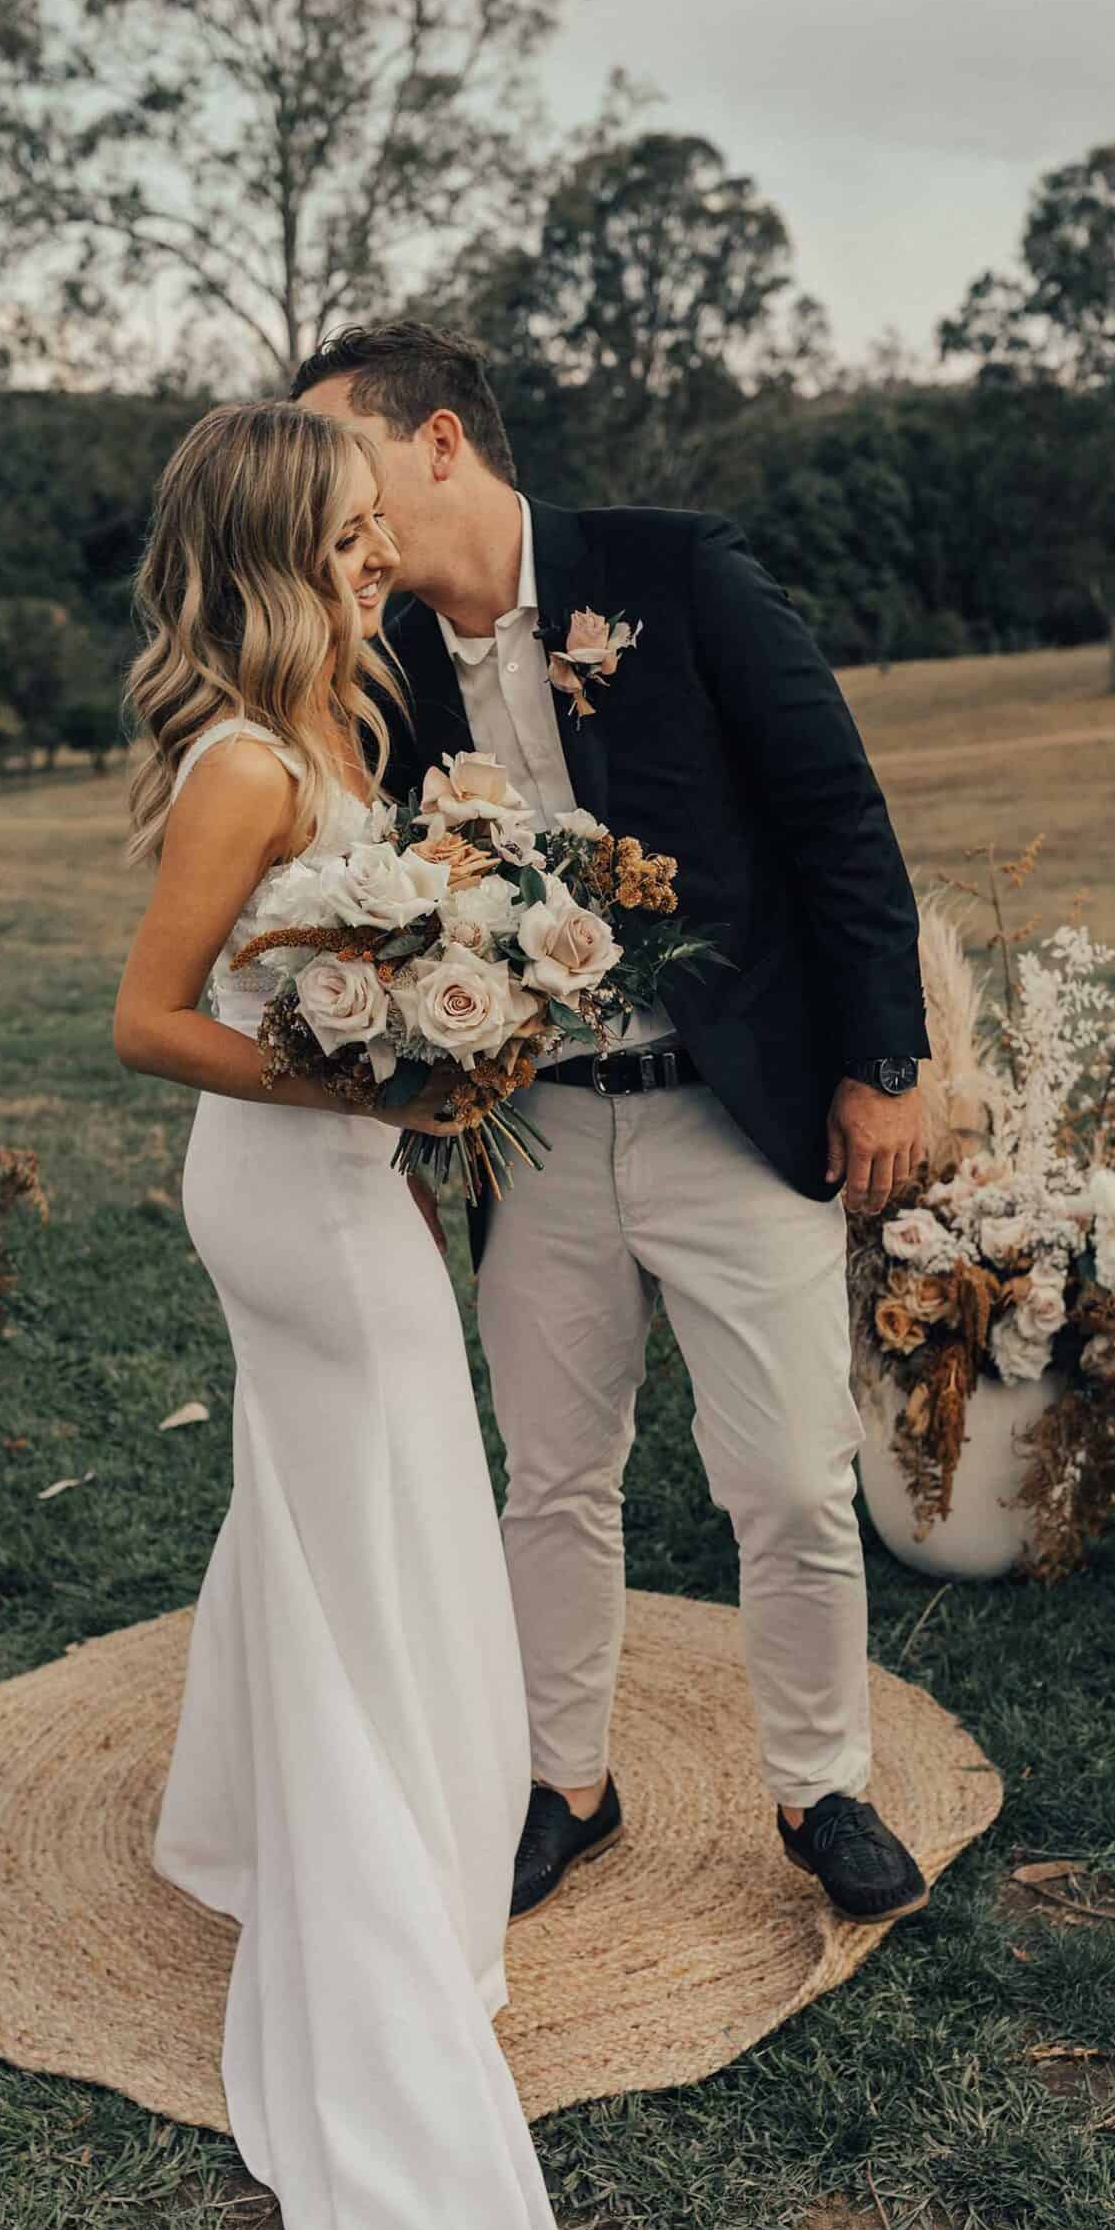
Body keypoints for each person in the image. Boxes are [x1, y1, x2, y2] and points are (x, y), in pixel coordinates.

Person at [293, 323, 934, 1928]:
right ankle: (562, 1782)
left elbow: (836, 817)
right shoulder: (375, 666)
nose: (327, 508)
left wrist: (884, 1064)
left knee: (788, 1477)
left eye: (342, 463)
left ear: (440, 441)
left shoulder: (676, 574)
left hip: (735, 1106)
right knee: (553, 1476)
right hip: (539, 1129)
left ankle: (821, 1787)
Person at [112, 400, 627, 2230]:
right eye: (334, 535)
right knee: (398, 1493)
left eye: (364, 529)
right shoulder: (244, 761)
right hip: (292, 1197)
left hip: (350, 1175)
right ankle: (391, 1879)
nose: (365, 560)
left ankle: (292, 1818)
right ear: (261, 548)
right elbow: (147, 1018)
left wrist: (464, 986)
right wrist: (361, 1081)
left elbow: (384, 941)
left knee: (355, 1507)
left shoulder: (340, 730)